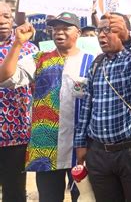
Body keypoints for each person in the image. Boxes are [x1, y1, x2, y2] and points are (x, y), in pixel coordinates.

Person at [0, 12, 94, 202]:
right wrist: (17, 43)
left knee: (85, 198)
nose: (59, 32)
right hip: (46, 148)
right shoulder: (39, 59)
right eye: (55, 28)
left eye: (65, 28)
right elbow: (5, 78)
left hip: (82, 149)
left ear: (79, 33)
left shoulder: (92, 62)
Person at [74, 13, 131, 202]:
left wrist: (129, 37)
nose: (101, 36)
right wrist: (80, 143)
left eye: (108, 30)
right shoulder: (96, 64)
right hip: (99, 154)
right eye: (99, 31)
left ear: (122, 31)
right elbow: (87, 106)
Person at [0, 2, 38, 202]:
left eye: (6, 16)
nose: (2, 21)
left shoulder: (29, 49)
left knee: (13, 193)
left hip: (16, 136)